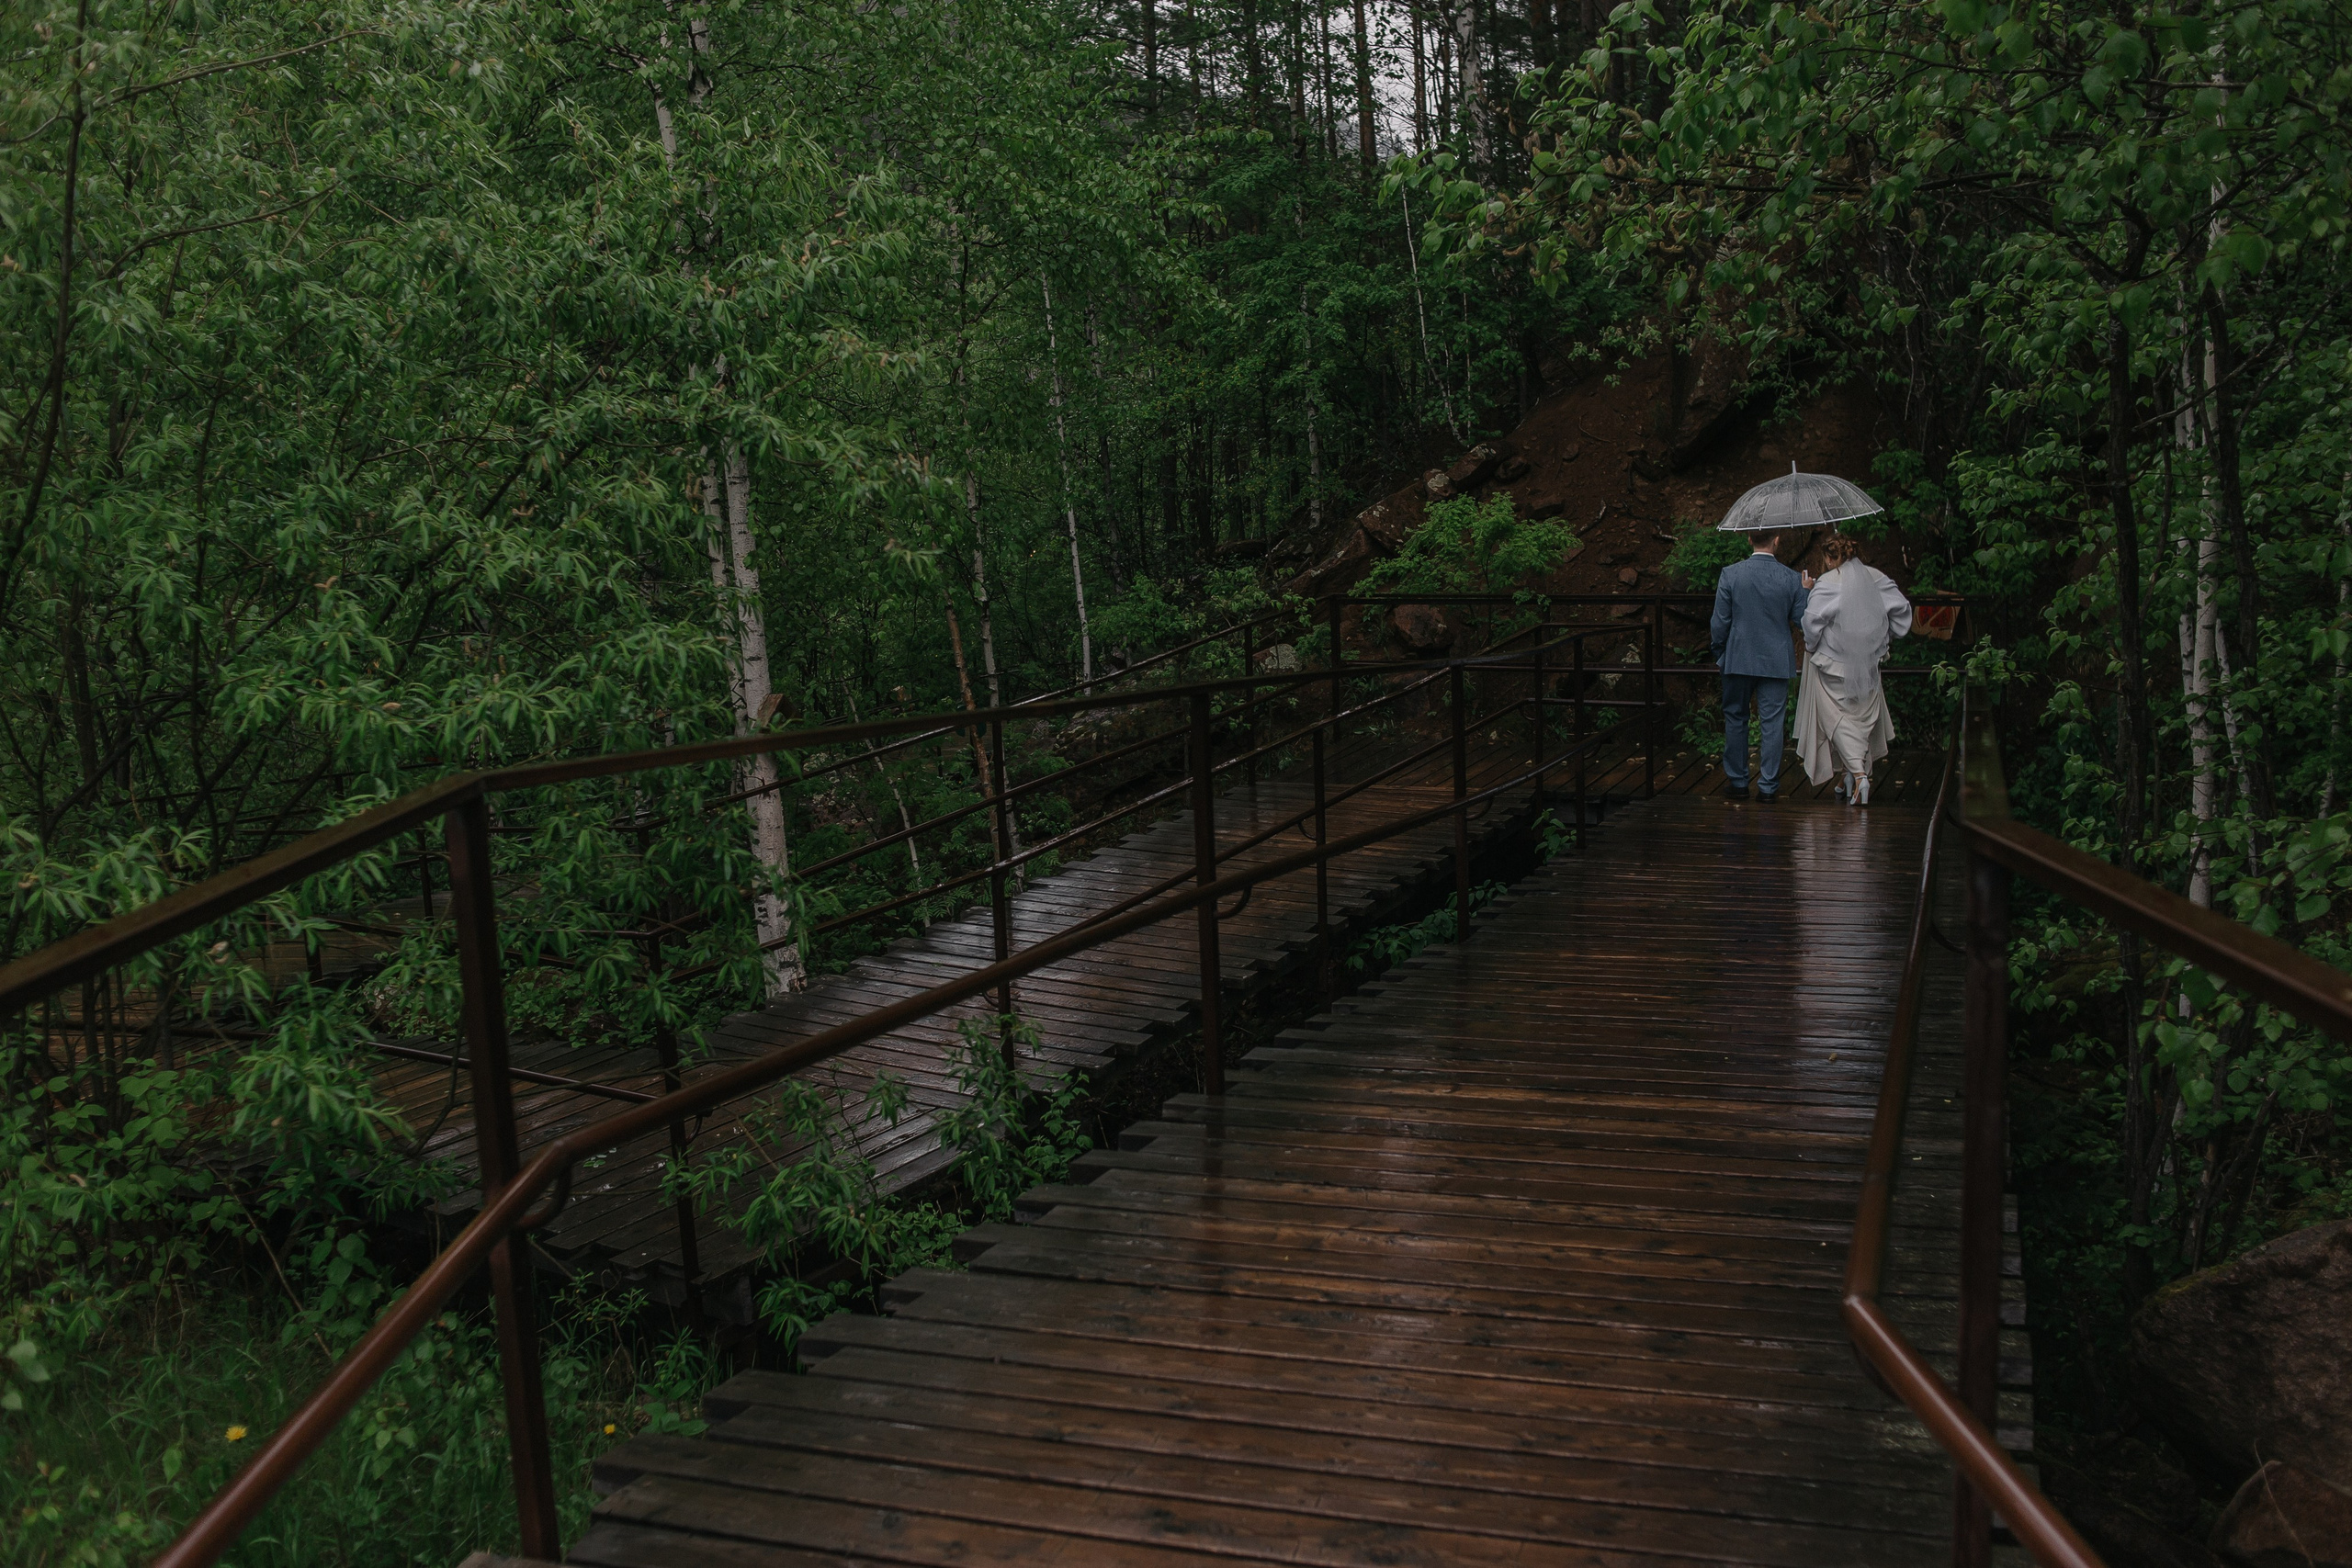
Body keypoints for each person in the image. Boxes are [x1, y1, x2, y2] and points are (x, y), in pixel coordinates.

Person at [1793, 536, 1913, 806]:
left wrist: (1813, 645)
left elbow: (1812, 622)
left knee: (1836, 720)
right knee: (1859, 720)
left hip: (1832, 664)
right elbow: (1903, 612)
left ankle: (1859, 776)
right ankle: (1847, 776)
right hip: (1867, 663)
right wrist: (1883, 639)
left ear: (1829, 557)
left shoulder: (1827, 583)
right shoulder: (1876, 578)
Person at [1710, 532, 1810, 802]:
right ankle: (1767, 787)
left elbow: (1719, 622)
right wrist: (1807, 592)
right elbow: (1803, 621)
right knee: (1773, 724)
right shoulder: (1791, 578)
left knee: (1735, 717)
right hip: (1776, 659)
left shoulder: (1731, 574)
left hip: (1738, 656)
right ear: (1776, 541)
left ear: (1749, 540)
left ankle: (1739, 782)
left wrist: (1721, 652)